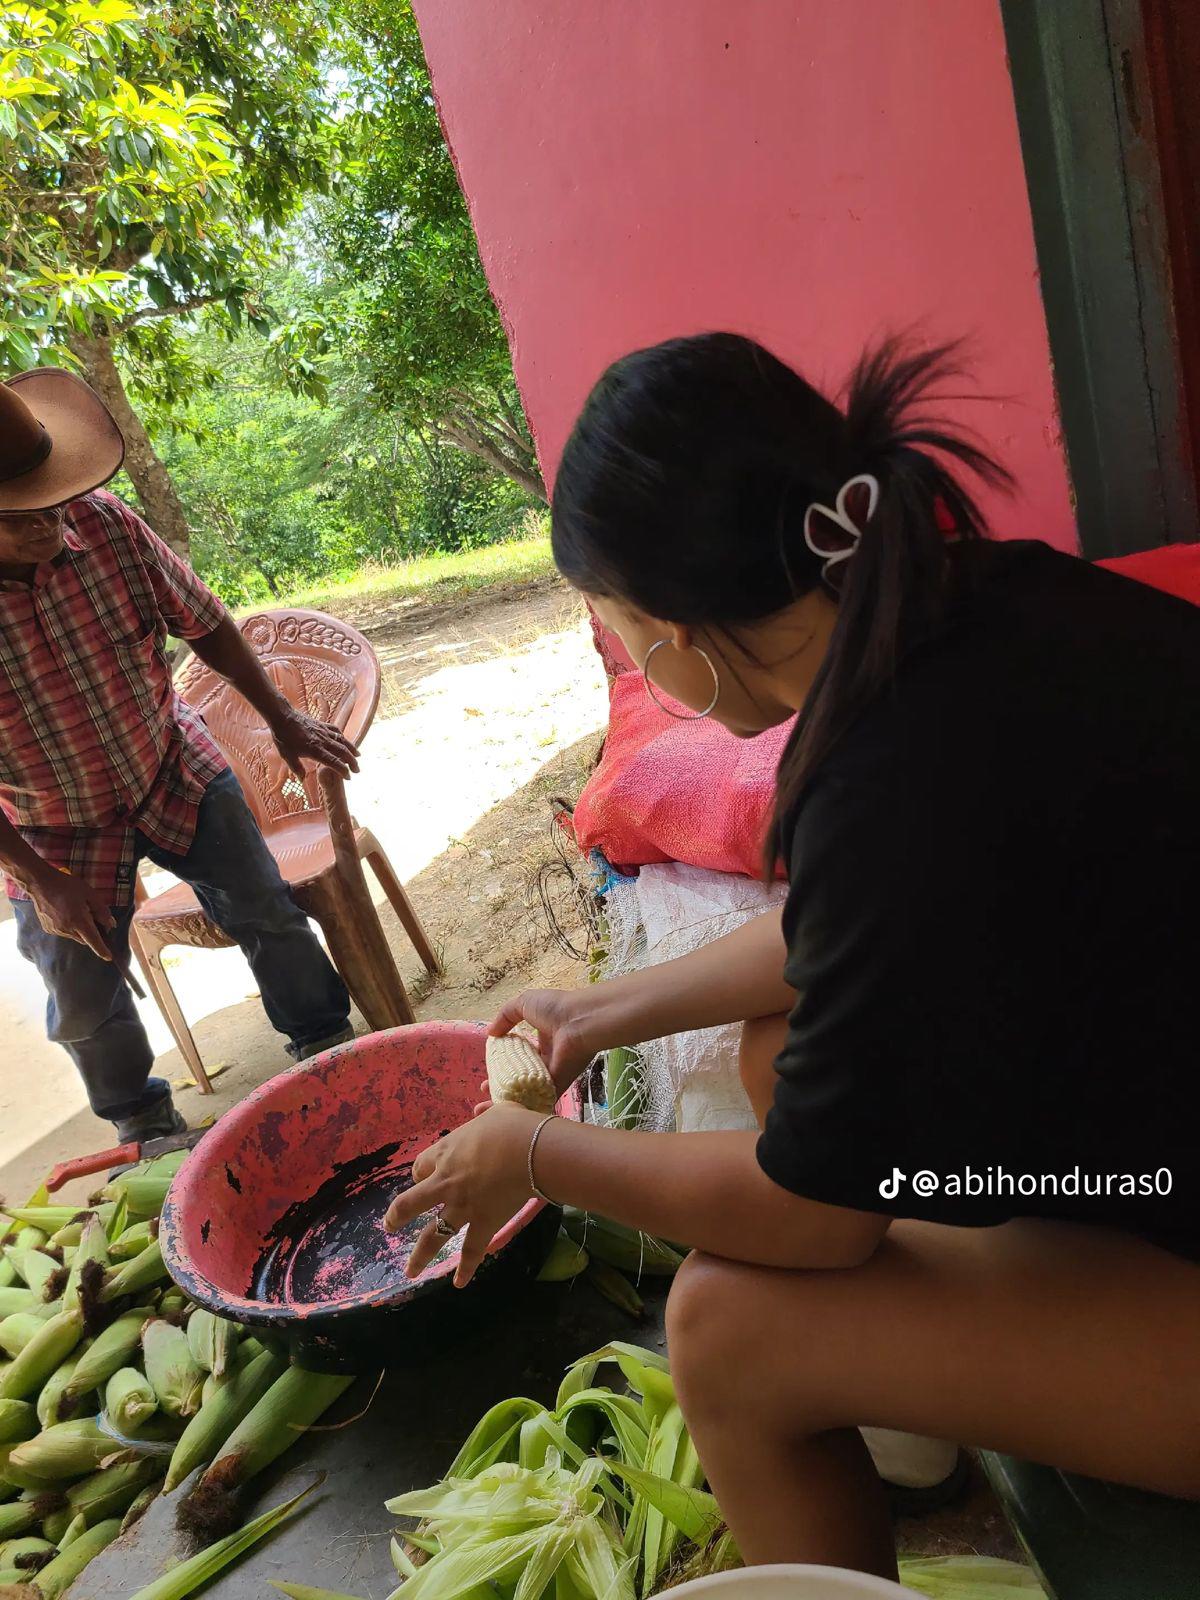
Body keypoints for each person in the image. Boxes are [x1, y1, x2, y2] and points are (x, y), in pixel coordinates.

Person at [384, 333, 1200, 1580]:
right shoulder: (978, 601)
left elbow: (816, 1225)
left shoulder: (886, 785)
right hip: (1148, 1156)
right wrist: (605, 1012)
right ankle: (929, 1417)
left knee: (723, 1326)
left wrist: (536, 1151)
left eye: (616, 633)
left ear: (677, 634)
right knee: (782, 1054)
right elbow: (856, 929)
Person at [0, 368, 358, 1143]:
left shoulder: (105, 524)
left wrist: (283, 718)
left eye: (54, 498)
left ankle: (327, 1048)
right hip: (50, 828)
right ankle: (146, 1128)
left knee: (267, 907)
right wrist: (39, 879)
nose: (55, 523)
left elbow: (206, 623)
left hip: (169, 766)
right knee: (83, 992)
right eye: (24, 515)